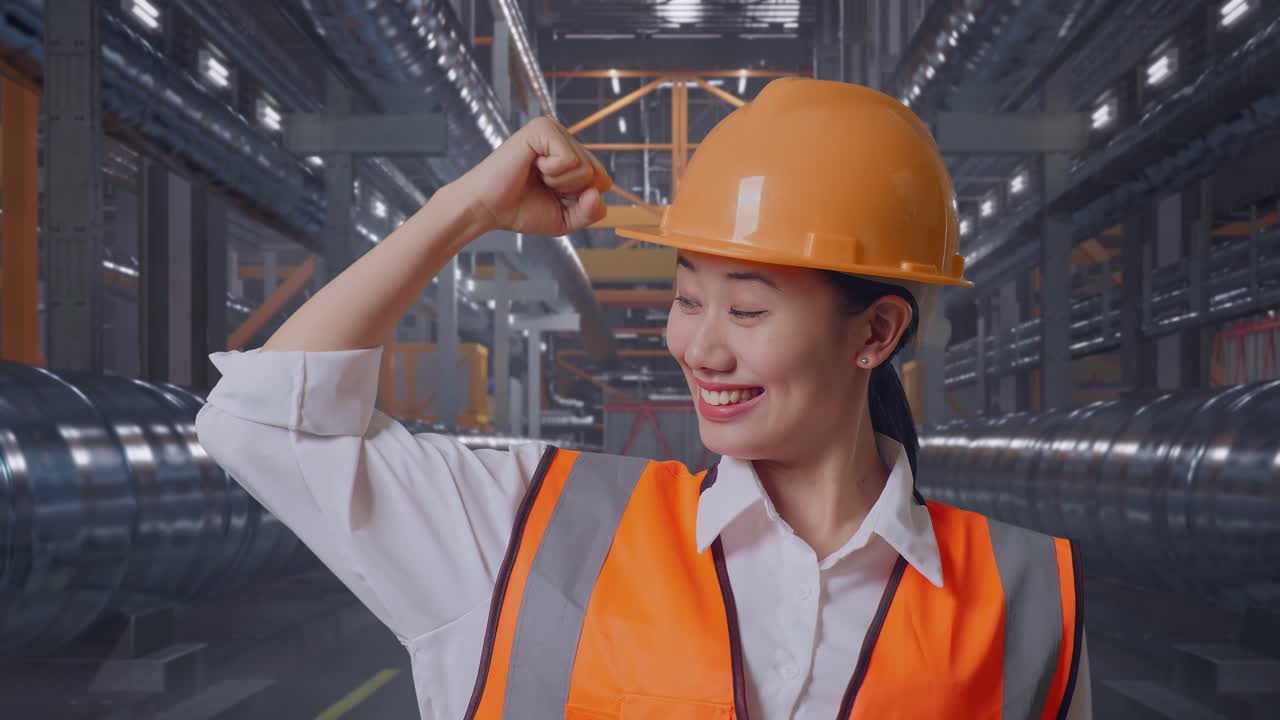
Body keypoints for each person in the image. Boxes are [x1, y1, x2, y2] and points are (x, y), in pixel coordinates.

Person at [195, 78, 1090, 719]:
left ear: (876, 333)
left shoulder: (1027, 601)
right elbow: (263, 423)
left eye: (747, 309)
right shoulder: (528, 531)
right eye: (688, 298)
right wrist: (464, 209)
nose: (699, 347)